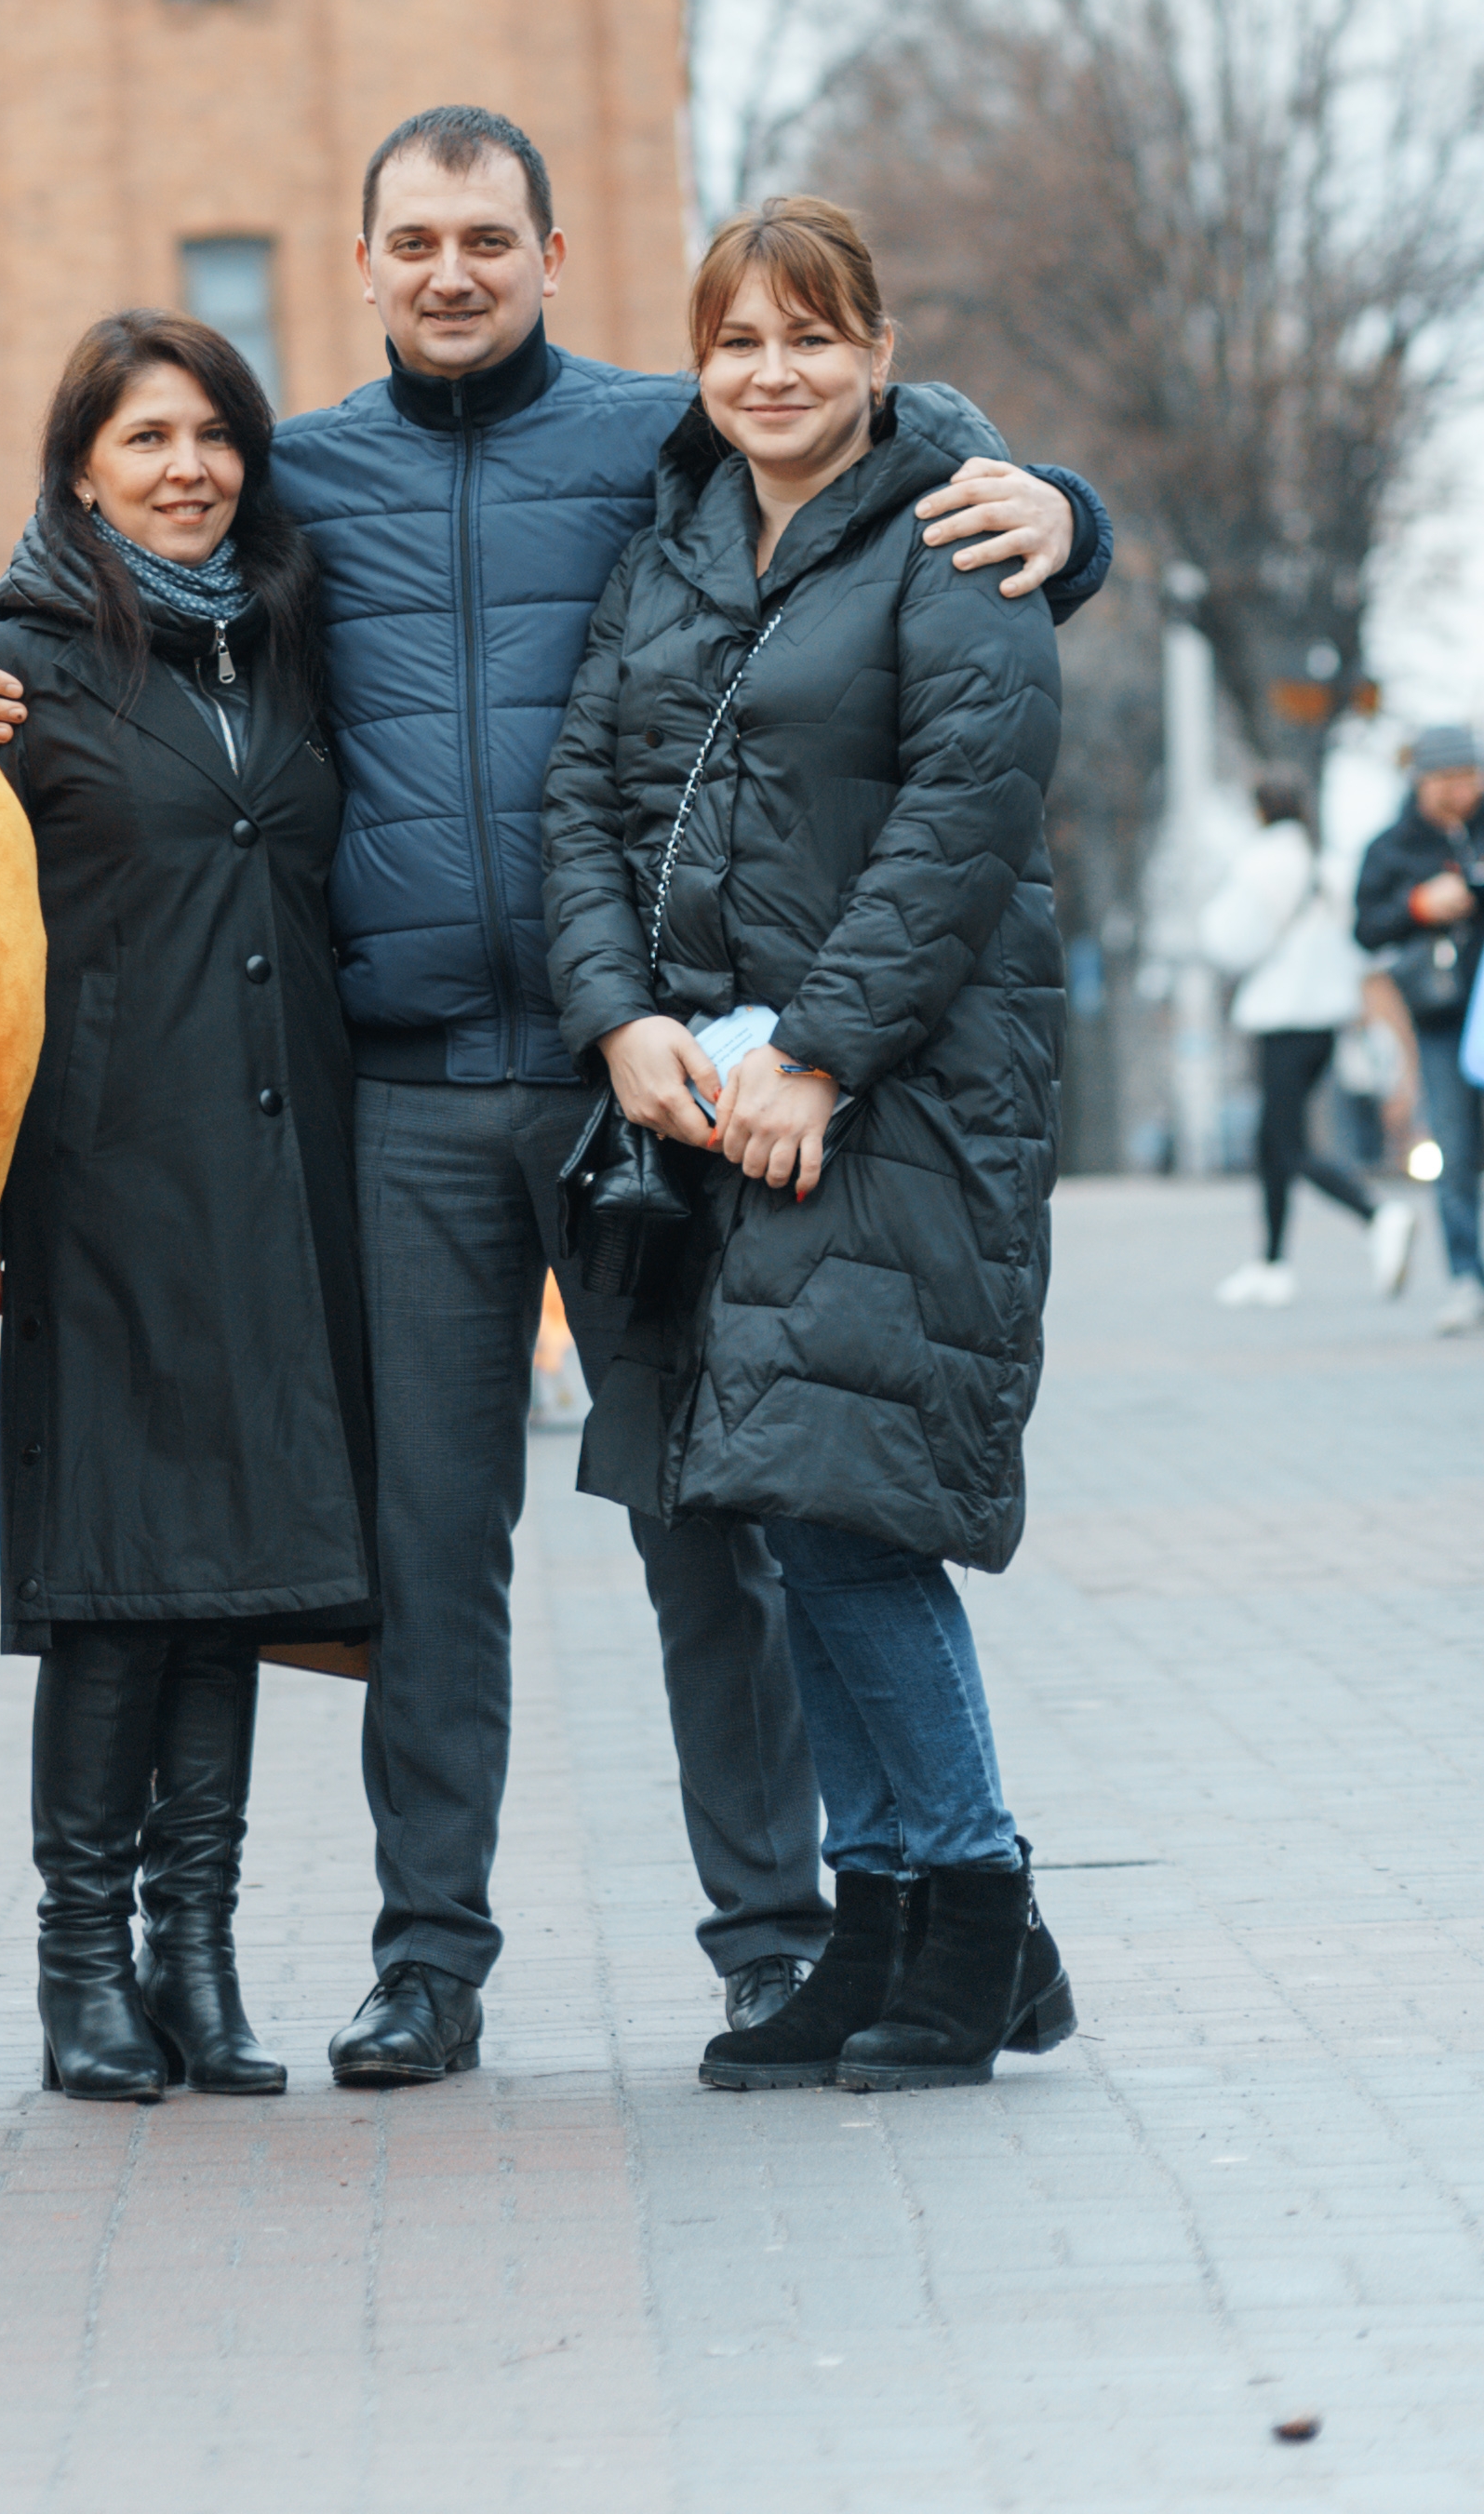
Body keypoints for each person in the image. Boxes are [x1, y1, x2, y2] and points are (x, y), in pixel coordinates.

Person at [271, 106, 1111, 2088]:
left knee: (723, 1520)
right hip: (426, 1083)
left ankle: (778, 1938)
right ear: (362, 260)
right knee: (430, 1547)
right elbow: (104, 569)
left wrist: (1071, 507)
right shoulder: (297, 477)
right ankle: (426, 1959)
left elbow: (925, 459)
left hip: (665, 1104)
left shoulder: (659, 434)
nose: (450, 269)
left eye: (489, 235)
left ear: (553, 256)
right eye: (413, 239)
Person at [541, 194, 1079, 2093]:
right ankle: (890, 1917)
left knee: (848, 1507)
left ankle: (968, 1910)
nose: (769, 375)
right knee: (773, 1499)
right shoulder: (675, 541)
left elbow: (961, 817)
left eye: (807, 339)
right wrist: (620, 1020)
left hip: (898, 1096)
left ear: (873, 352)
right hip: (704, 1098)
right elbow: (581, 798)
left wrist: (823, 1056)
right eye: (735, 343)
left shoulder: (954, 530)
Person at [0, 310, 369, 2101]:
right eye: (146, 439)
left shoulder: (283, 647)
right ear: (80, 469)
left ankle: (197, 1958)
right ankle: (81, 1970)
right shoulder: (13, 667)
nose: (188, 468)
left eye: (212, 435)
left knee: (239, 1578)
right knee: (120, 1579)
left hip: (284, 1172)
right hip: (102, 1173)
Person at [1206, 772, 1416, 1306]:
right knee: (1271, 1141)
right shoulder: (1326, 866)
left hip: (1282, 1018)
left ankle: (1378, 1215)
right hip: (1324, 1020)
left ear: (1258, 811)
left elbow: (1229, 941)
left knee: (1286, 1144)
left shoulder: (1262, 863)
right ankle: (1272, 1264)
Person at [1354, 728, 1484, 1340]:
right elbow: (1366, 925)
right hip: (1442, 1016)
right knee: (1454, 1148)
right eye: (1451, 780)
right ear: (1422, 783)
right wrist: (1419, 906)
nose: (1465, 791)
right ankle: (1467, 1277)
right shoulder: (1393, 846)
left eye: (1471, 777)